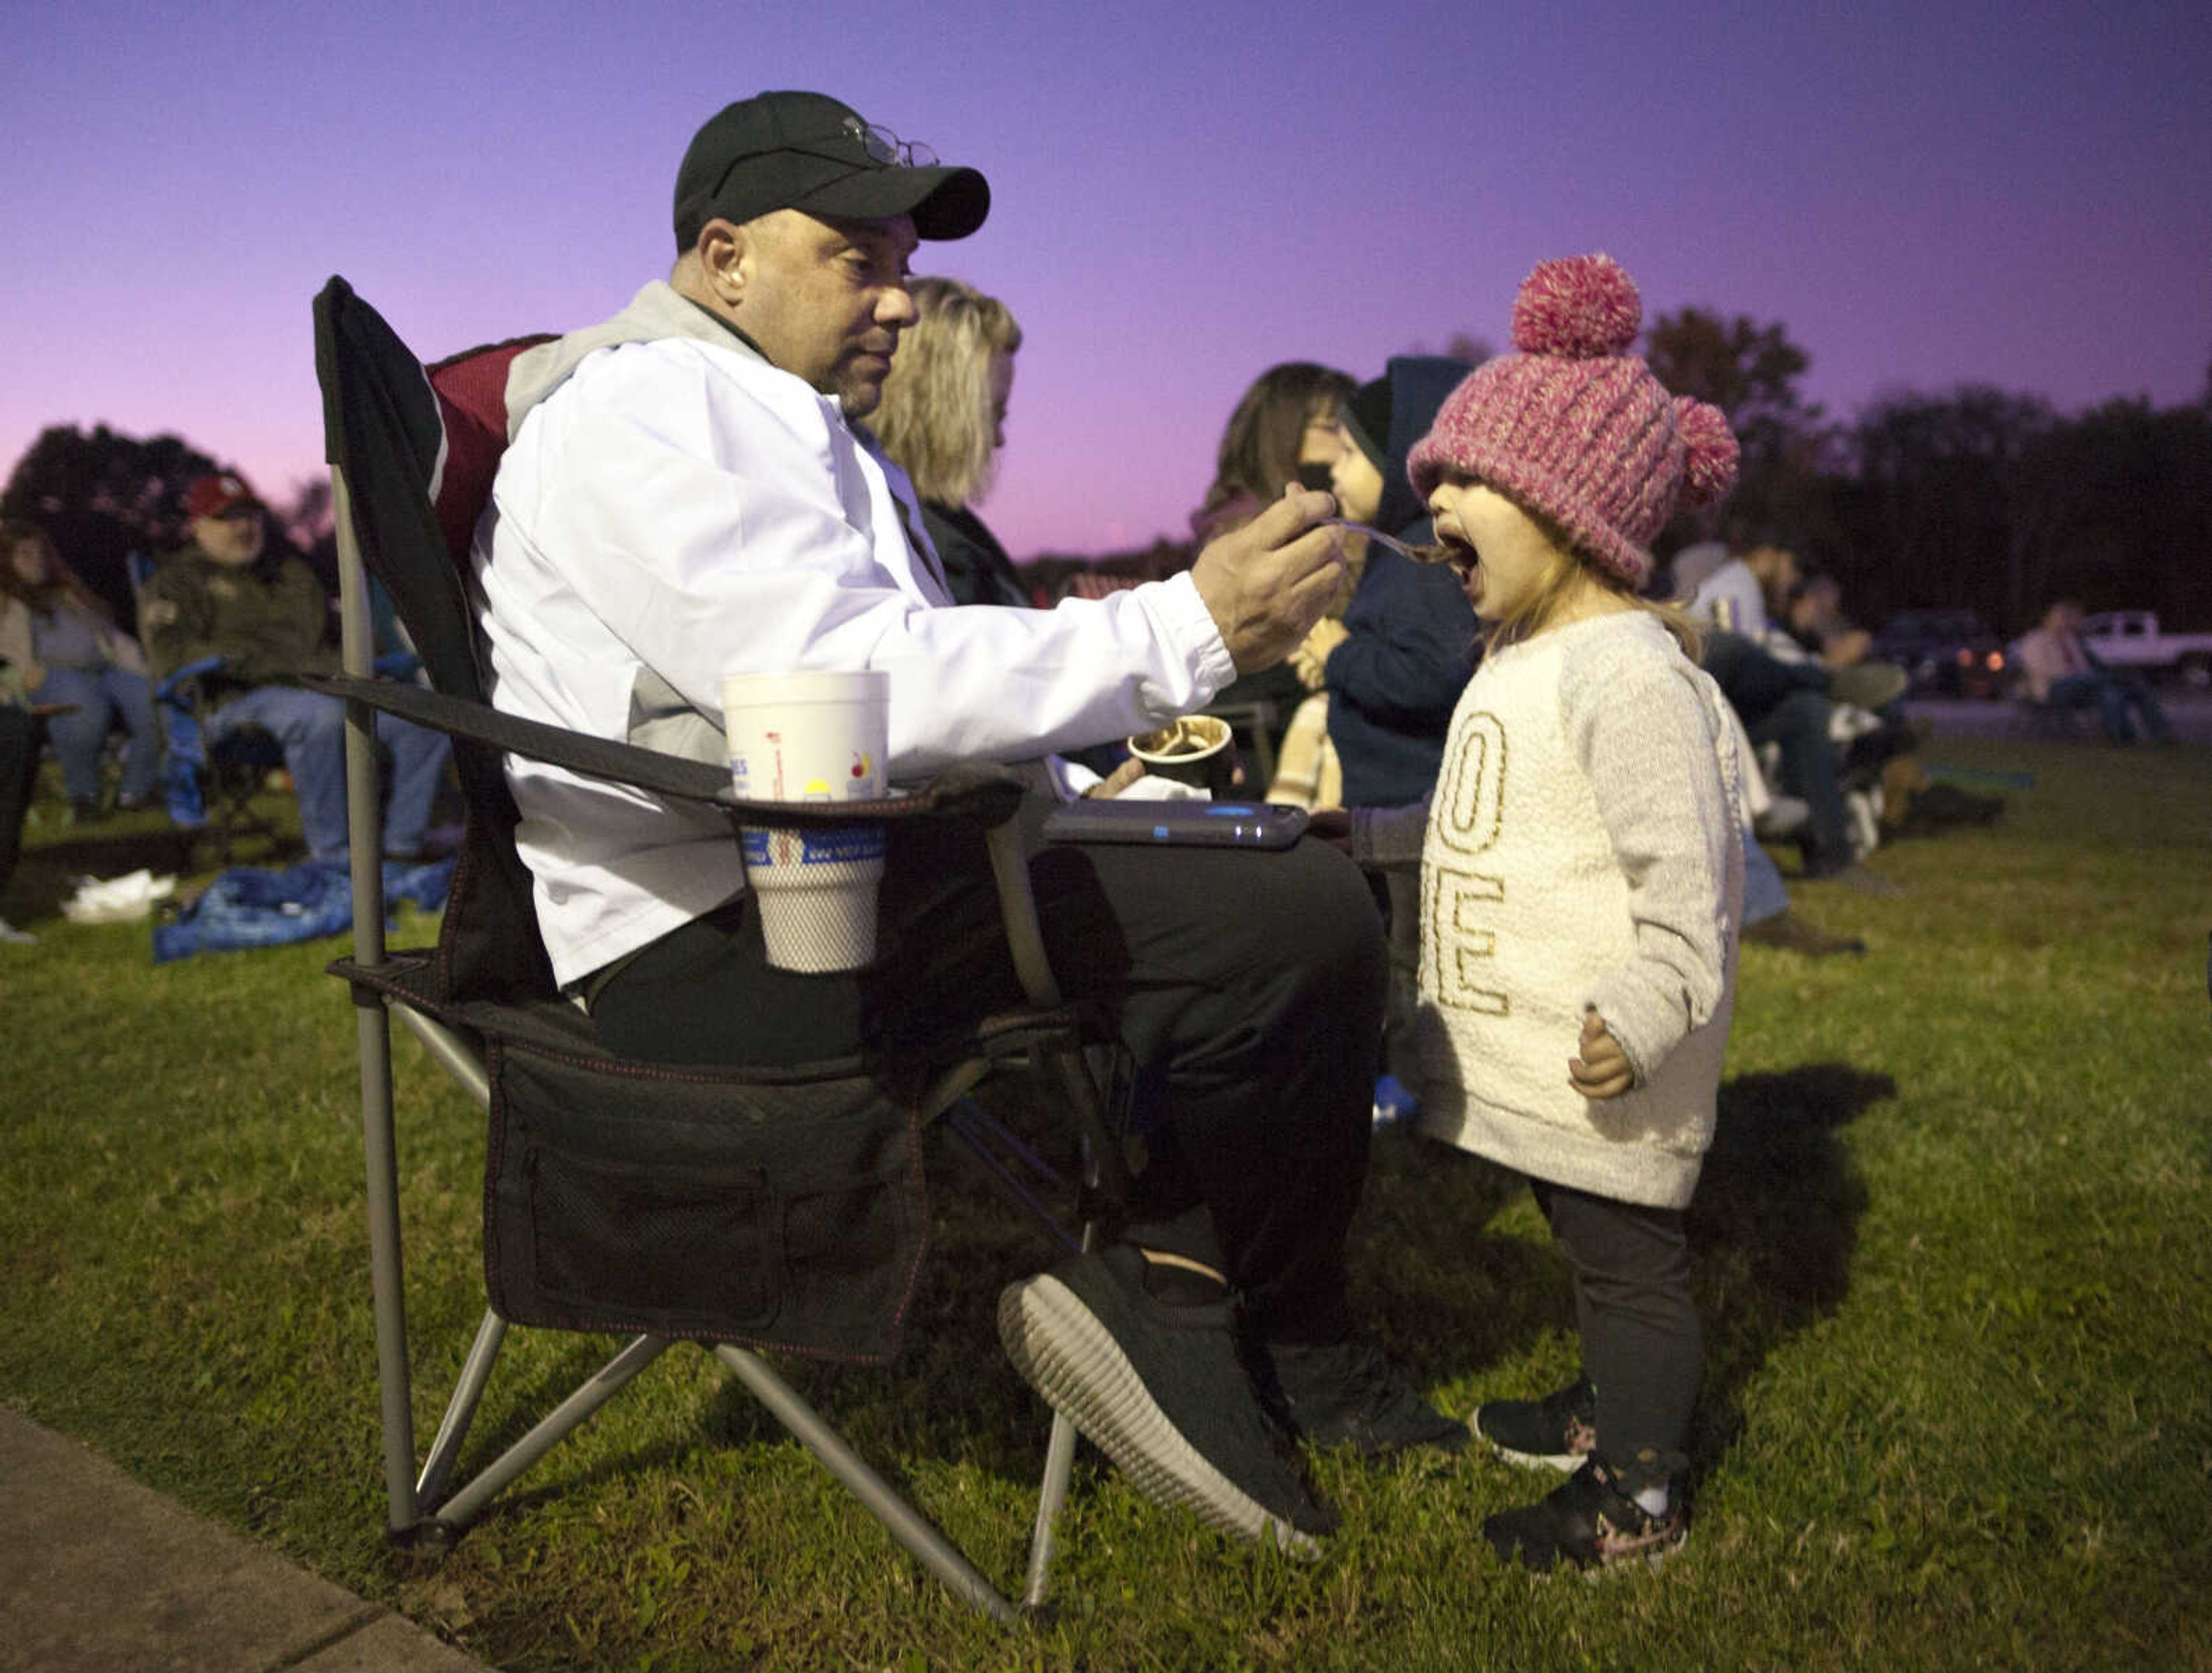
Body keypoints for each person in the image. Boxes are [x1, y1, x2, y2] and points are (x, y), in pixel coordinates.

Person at [471, 90, 1461, 1555]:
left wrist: (1080, 787)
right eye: (856, 259)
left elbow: (883, 689)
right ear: (723, 254)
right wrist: (1182, 625)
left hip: (846, 866)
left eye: (905, 267)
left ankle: (1204, 1289)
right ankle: (1212, 1312)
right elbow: (832, 689)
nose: (895, 302)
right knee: (1296, 924)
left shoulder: (793, 423)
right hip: (719, 937)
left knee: (1269, 867)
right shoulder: (641, 412)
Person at [1334, 255, 1744, 1572]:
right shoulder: (1518, 657)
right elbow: (1487, 825)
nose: (1428, 497)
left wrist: (1640, 1010)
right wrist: (1359, 838)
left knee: (1629, 1263)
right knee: (1579, 1236)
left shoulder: (1626, 679)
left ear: (1565, 505)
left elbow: (1688, 893)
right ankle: (1605, 1411)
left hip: (1616, 1054)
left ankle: (1639, 1495)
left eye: (1462, 480)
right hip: (1552, 1065)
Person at [1315, 358, 1479, 1110]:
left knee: (1416, 958)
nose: (1331, 468)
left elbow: (1432, 674)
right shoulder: (1399, 552)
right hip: (1387, 799)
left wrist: (1340, 656)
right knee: (1399, 951)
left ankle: (1423, 1092)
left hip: (1415, 802)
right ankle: (1407, 1079)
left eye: (1349, 453)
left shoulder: (1421, 562)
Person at [137, 472, 453, 864]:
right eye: (228, 518)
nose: (244, 527)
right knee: (319, 718)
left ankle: (402, 844)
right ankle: (335, 856)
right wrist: (273, 665)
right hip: (232, 703)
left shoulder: (291, 573)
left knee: (423, 714)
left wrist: (367, 667)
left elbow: (338, 637)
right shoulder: (177, 582)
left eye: (251, 516)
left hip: (321, 688)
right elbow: (172, 657)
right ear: (198, 525)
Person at [1190, 362, 1361, 788]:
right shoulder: (1249, 537)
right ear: (1282, 432)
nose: (1348, 438)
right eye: (1333, 424)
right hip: (1266, 746)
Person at [868, 276, 1029, 609]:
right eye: (991, 416)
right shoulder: (932, 551)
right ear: (939, 410)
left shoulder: (933, 528)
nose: (998, 440)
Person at [0, 519, 162, 824]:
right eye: (25, 555)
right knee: (82, 700)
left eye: (40, 553)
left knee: (156, 699)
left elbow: (113, 640)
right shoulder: (5, 604)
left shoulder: (70, 595)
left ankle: (135, 792)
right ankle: (83, 796)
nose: (37, 562)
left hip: (103, 671)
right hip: (44, 677)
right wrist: (16, 678)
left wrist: (149, 671)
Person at [2014, 599, 2175, 744]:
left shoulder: (2070, 640)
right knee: (2109, 681)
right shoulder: (2035, 639)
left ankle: (2147, 734)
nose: (2065, 620)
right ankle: (2122, 730)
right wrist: (2075, 675)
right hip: (2051, 689)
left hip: (2081, 686)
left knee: (2115, 691)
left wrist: (2083, 675)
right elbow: (2038, 669)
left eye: (2066, 616)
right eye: (2061, 616)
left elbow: (2085, 667)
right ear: (2048, 618)